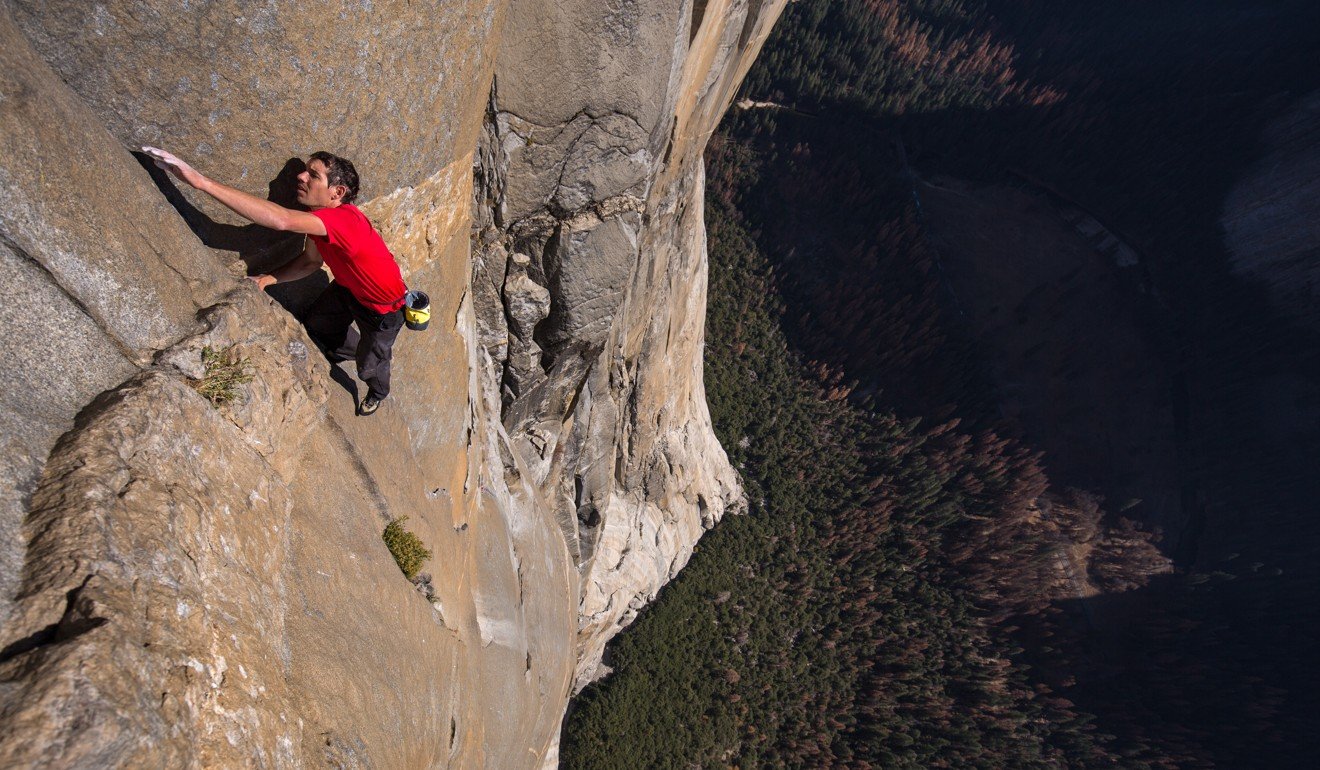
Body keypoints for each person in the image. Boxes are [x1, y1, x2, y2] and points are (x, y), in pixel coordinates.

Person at [145, 147, 407, 416]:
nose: (301, 176)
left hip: (382, 309)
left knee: (369, 366)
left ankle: (377, 388)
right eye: (305, 170)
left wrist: (201, 182)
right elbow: (310, 262)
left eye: (313, 175)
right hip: (347, 288)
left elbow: (281, 220)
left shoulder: (344, 221)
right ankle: (355, 350)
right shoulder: (319, 222)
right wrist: (268, 278)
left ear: (336, 193)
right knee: (318, 324)